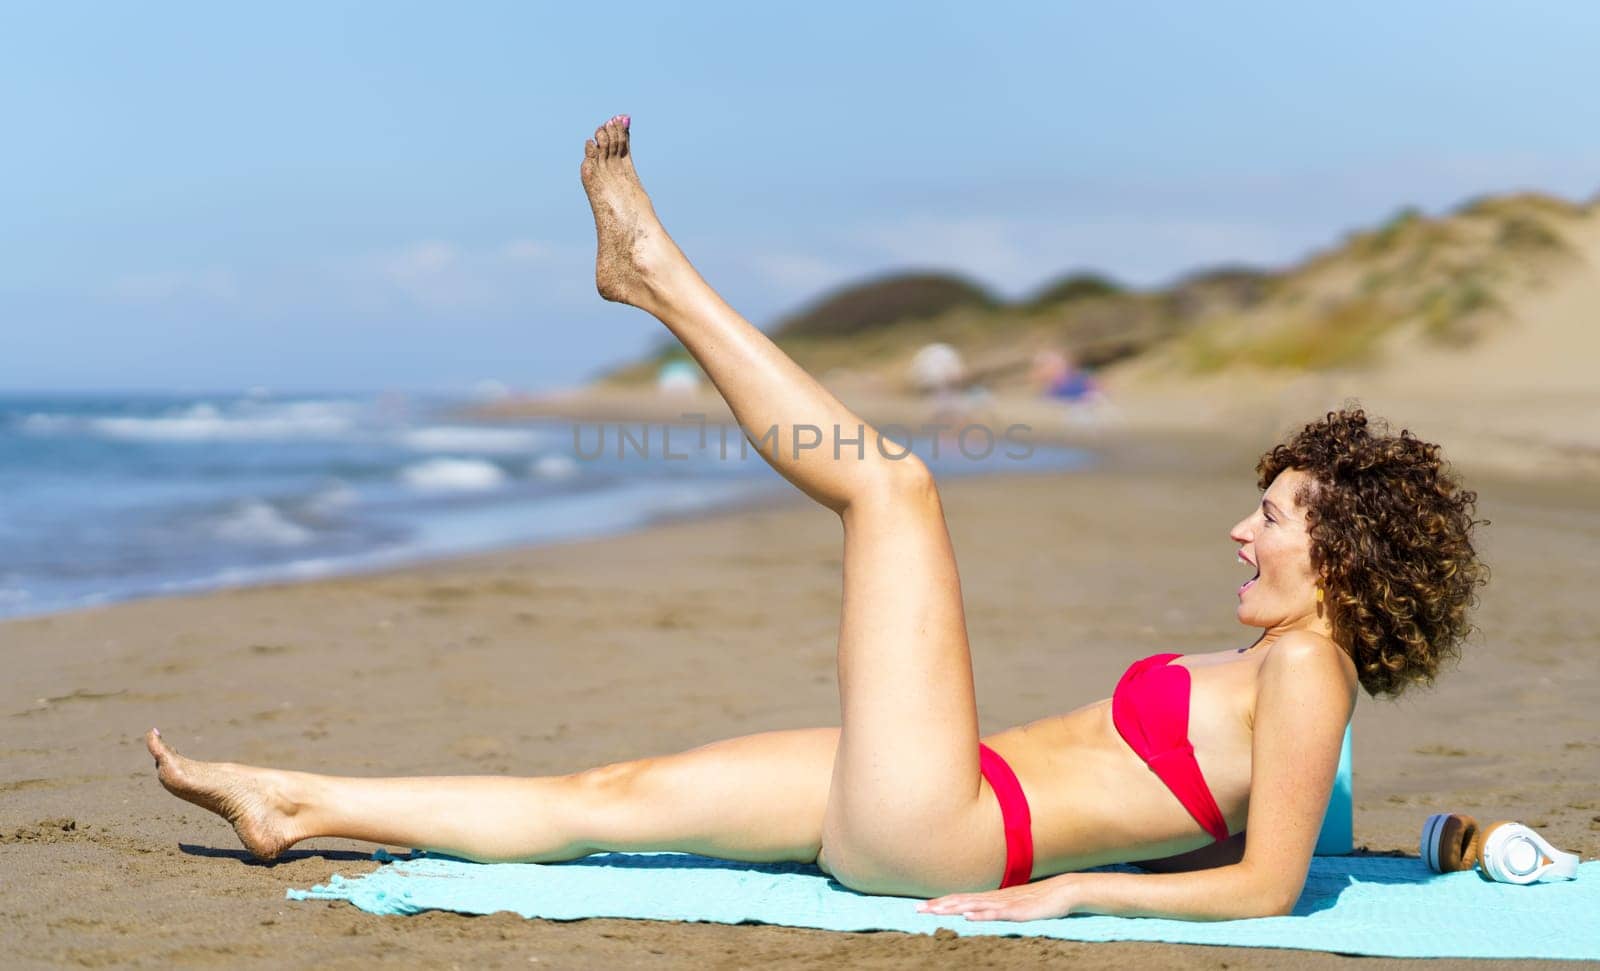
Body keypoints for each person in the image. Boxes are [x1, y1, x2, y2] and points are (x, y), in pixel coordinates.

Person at [146, 117, 1489, 922]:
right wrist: (1447, 848)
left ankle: (656, 274)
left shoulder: (1311, 668)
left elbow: (1265, 888)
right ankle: (295, 802)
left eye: (1271, 520)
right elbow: (1282, 838)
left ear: (1346, 552)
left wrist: (1074, 893)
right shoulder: (1281, 670)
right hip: (922, 794)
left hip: (946, 823)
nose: (1242, 537)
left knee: (892, 485)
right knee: (604, 798)